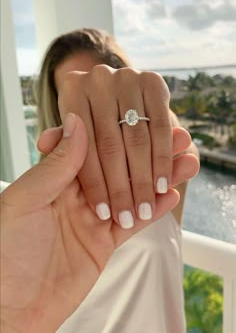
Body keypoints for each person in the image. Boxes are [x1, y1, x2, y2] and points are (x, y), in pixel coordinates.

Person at [1, 28, 199, 333]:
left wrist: (145, 102)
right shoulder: (45, 201)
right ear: (55, 106)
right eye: (69, 93)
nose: (91, 101)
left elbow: (179, 140)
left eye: (97, 82)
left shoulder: (162, 165)